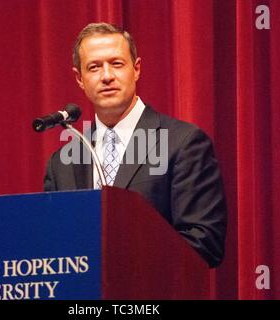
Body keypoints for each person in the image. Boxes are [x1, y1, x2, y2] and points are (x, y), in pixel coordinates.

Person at [44, 23, 227, 268]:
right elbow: (51, 248)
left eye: (117, 64)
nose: (107, 76)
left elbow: (204, 244)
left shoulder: (183, 143)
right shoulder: (62, 163)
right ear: (79, 79)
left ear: (136, 69)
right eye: (94, 67)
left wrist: (118, 266)